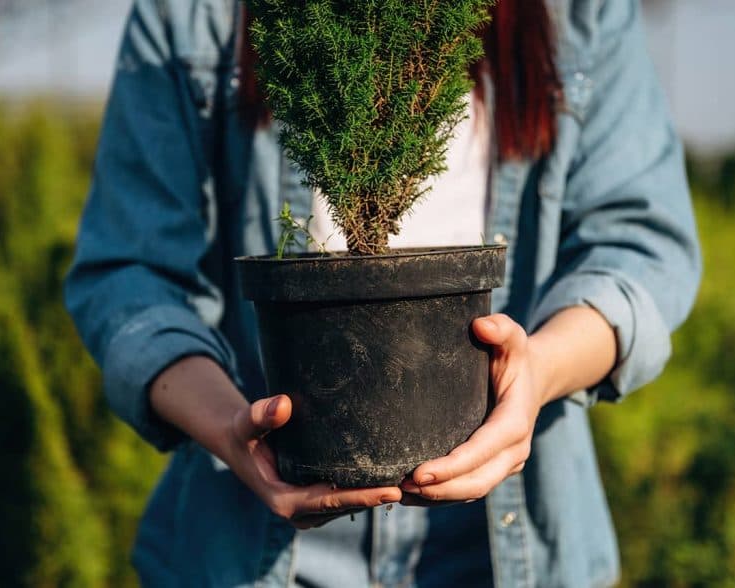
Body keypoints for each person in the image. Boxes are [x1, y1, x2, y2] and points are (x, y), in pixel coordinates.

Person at [65, 0, 701, 585]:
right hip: (255, 547)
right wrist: (226, 425)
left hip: (500, 547)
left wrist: (539, 371)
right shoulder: (196, 13)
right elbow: (129, 270)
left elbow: (639, 246)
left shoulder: (579, 14)